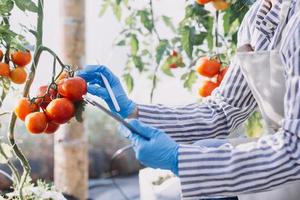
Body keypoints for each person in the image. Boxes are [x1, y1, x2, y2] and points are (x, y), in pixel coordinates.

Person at [77, 0, 300, 199]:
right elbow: (222, 112)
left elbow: (296, 149)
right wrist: (132, 111)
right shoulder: (256, 18)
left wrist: (180, 159)